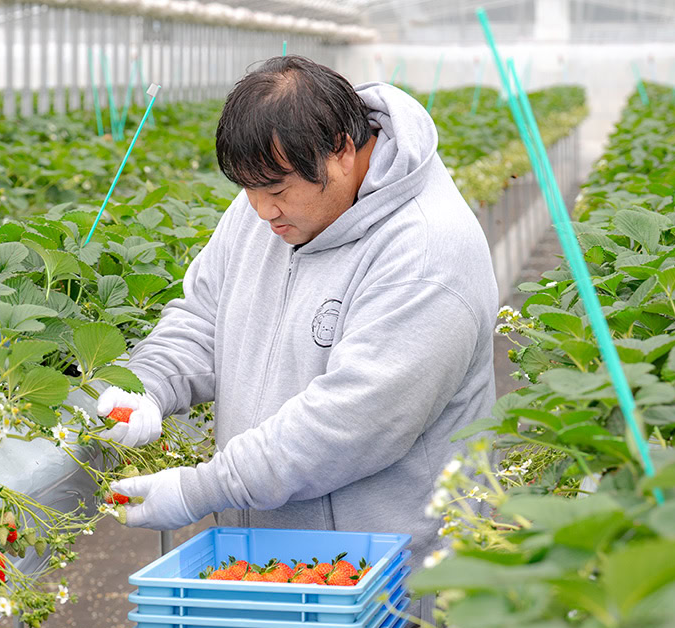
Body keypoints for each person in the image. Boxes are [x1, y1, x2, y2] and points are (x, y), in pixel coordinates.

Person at [99, 55, 498, 575]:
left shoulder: (427, 252)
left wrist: (200, 488)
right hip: (277, 560)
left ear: (342, 150)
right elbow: (203, 318)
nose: (262, 210)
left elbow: (352, 421)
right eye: (248, 190)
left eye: (277, 191)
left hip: (393, 583)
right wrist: (147, 384)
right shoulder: (264, 207)